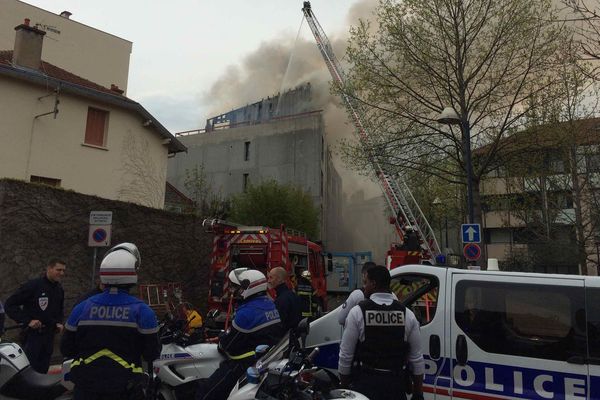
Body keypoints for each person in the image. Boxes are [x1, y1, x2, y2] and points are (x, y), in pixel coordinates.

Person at [61, 243, 161, 400]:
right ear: (132, 274)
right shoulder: (142, 311)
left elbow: (66, 348)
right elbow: (151, 353)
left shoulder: (82, 307)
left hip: (86, 387)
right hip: (125, 389)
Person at [338, 265, 425, 400]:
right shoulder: (407, 314)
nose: (364, 287)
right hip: (396, 386)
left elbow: (345, 356)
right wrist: (418, 393)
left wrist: (344, 389)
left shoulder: (357, 312)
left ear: (373, 284)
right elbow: (417, 359)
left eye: (366, 282)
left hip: (366, 385)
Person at [196, 268, 283, 400]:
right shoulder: (269, 305)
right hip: (263, 359)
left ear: (251, 287)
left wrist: (220, 341)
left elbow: (228, 344)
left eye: (238, 287)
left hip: (242, 362)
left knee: (206, 393)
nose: (234, 291)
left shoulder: (247, 313)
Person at [5, 258, 66, 373]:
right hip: (32, 337)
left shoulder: (59, 289)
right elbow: (10, 304)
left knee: (43, 372)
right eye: (59, 270)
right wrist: (27, 320)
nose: (62, 273)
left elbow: (59, 310)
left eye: (63, 270)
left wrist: (58, 322)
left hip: (48, 337)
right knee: (29, 373)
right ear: (49, 268)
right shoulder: (33, 286)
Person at [268, 267, 301, 331]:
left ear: (279, 279)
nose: (269, 281)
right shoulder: (292, 295)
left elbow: (280, 325)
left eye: (271, 278)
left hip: (286, 337)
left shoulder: (282, 300)